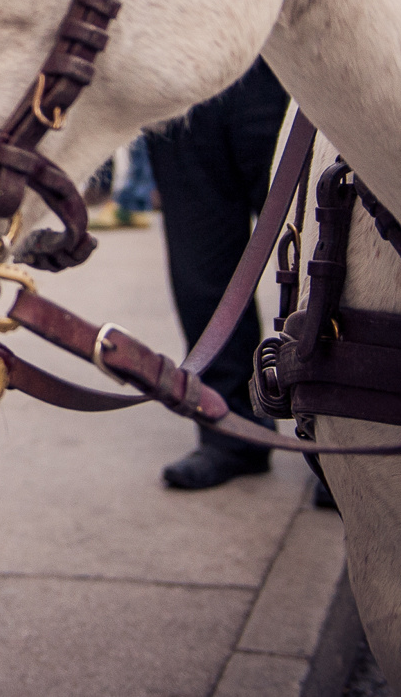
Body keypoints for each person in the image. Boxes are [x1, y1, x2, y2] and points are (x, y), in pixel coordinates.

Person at [145, 59, 288, 489]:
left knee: (319, 263)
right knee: (202, 273)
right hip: (184, 76)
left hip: (288, 71)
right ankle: (230, 433)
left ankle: (338, 441)